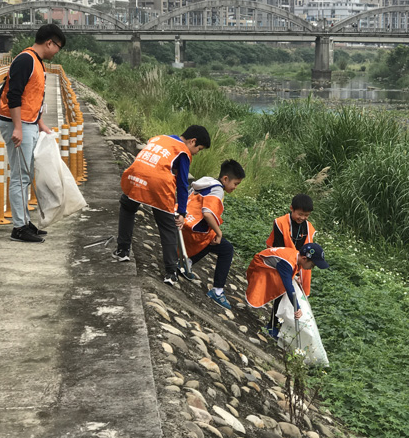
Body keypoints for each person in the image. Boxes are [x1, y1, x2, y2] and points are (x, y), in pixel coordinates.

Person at [112, 125, 211, 287]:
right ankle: (171, 272)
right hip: (158, 185)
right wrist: (181, 212)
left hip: (135, 175)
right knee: (168, 227)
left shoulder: (159, 138)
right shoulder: (183, 151)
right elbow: (182, 183)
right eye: (198, 149)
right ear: (192, 141)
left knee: (127, 207)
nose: (196, 153)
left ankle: (122, 251)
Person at [0, 23, 66, 243]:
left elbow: (32, 98)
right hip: (17, 124)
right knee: (20, 176)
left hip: (28, 123)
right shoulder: (26, 60)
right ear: (49, 42)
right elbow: (14, 95)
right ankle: (19, 228)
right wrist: (18, 127)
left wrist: (40, 123)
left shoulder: (37, 62)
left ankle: (25, 221)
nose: (57, 52)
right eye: (58, 47)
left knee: (25, 176)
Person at [181, 159, 245, 309]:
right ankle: (217, 290)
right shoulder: (218, 190)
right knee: (225, 248)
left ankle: (187, 262)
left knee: (213, 239)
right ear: (225, 179)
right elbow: (208, 213)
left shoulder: (206, 181)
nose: (235, 187)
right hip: (194, 230)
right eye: (235, 184)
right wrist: (219, 231)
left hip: (184, 222)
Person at [246, 243, 329, 340]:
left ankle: (274, 326)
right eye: (313, 265)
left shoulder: (295, 256)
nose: (312, 268)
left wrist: (296, 276)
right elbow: (288, 287)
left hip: (271, 266)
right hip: (261, 267)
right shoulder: (286, 263)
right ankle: (272, 327)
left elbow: (290, 271)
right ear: (304, 258)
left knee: (285, 287)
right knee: (282, 290)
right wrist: (296, 307)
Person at [266, 193, 317, 331]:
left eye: (306, 215)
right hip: (282, 261)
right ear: (291, 209)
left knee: (293, 294)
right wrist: (291, 272)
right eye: (300, 214)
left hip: (298, 264)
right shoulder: (280, 223)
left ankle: (283, 327)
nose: (302, 218)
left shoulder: (308, 228)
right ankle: (273, 325)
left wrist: (299, 273)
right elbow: (278, 247)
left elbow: (306, 251)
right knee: (282, 291)